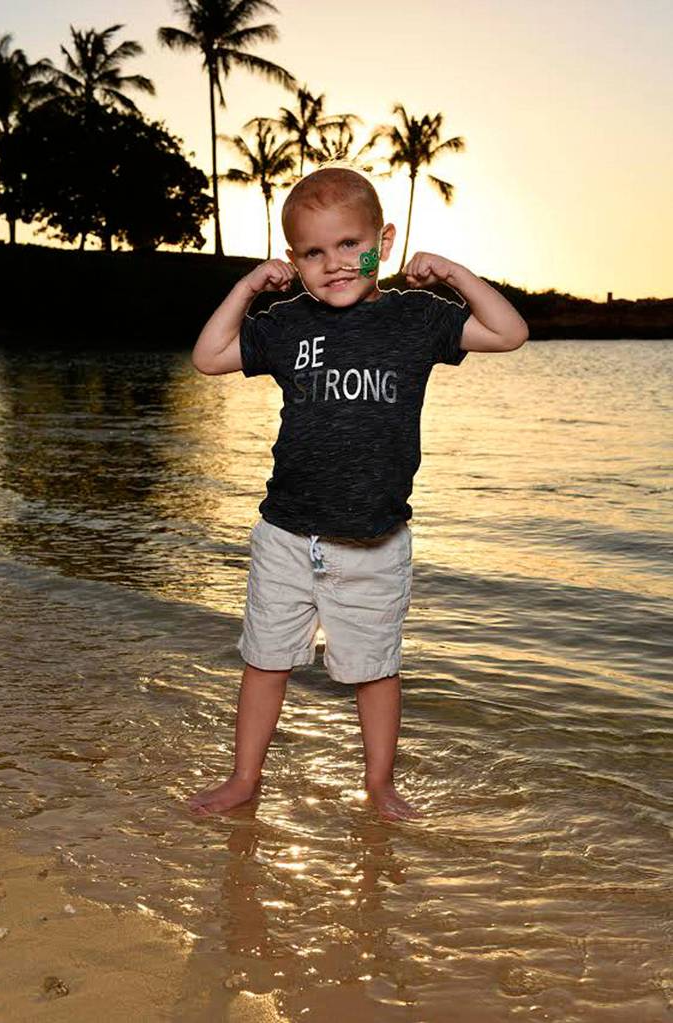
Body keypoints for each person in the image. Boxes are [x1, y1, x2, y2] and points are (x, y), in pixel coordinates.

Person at [188, 164, 529, 821]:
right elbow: (208, 356)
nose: (334, 263)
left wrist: (452, 273)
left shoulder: (416, 318)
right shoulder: (286, 325)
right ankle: (243, 778)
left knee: (374, 669)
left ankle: (378, 785)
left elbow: (509, 333)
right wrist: (247, 287)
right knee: (265, 661)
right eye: (313, 252)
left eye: (350, 244)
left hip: (375, 540)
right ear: (293, 260)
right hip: (287, 534)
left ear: (385, 239)